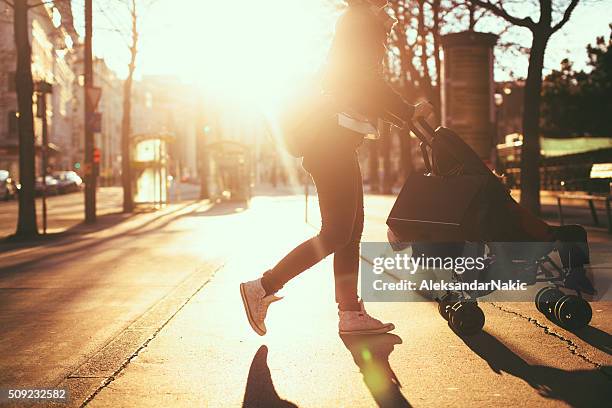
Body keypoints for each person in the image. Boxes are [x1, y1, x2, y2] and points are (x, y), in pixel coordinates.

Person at [240, 0, 434, 336]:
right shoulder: (359, 20)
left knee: (350, 231)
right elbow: (365, 81)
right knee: (336, 232)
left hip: (337, 141)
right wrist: (407, 111)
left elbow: (361, 89)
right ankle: (262, 286)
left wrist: (404, 116)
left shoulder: (361, 19)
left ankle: (349, 313)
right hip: (329, 141)